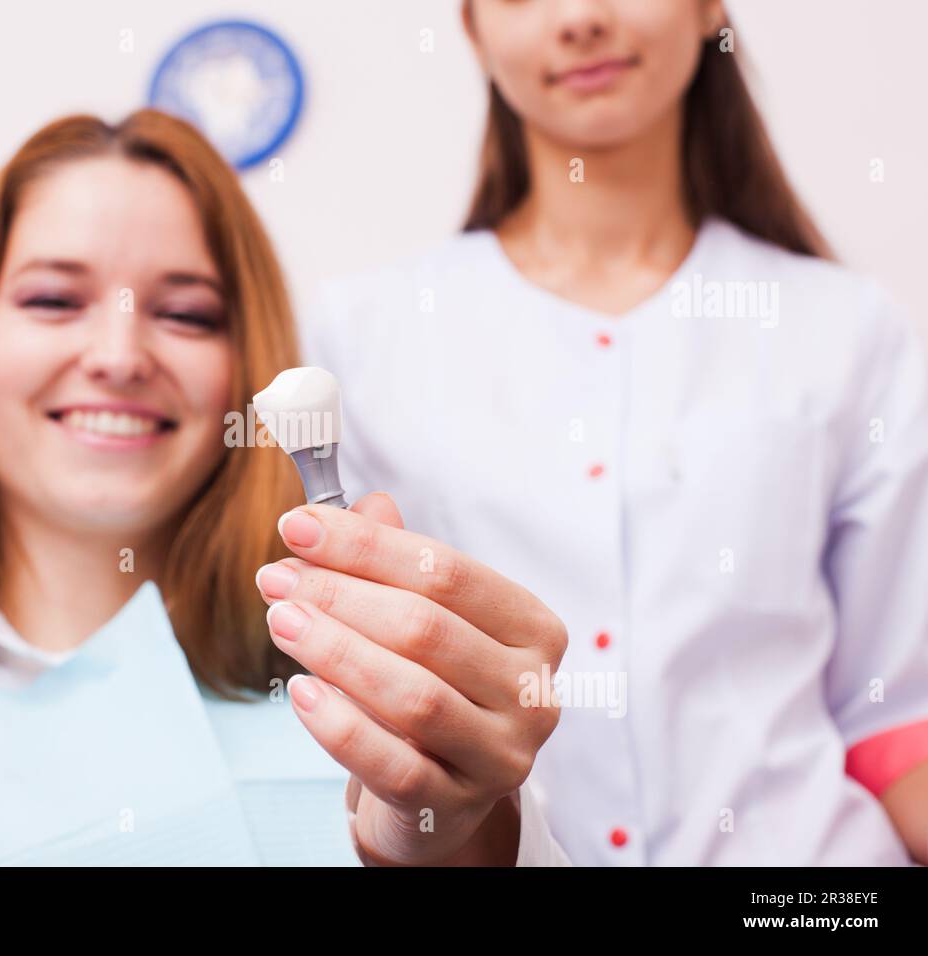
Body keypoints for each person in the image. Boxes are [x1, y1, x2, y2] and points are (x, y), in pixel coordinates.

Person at [0, 110, 569, 866]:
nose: (117, 356)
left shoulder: (407, 736)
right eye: (53, 300)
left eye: (185, 313)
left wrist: (451, 839)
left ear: (244, 377)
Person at [299, 0, 928, 865]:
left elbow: (893, 706)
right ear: (474, 28)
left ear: (710, 9)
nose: (582, 17)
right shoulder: (363, 333)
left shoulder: (848, 328)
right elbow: (376, 726)